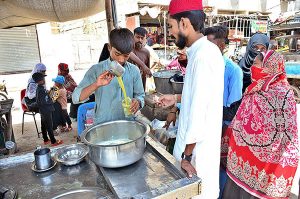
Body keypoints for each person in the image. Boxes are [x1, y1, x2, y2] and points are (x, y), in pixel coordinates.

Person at [158, 0, 225, 198]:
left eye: (170, 26)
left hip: (196, 157)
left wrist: (187, 156)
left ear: (184, 23)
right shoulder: (201, 52)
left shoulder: (203, 56)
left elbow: (198, 112)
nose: (169, 32)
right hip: (194, 150)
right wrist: (177, 98)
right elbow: (200, 94)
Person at [222, 51, 299, 199]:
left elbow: (285, 135)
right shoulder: (253, 90)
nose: (252, 68)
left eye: (256, 64)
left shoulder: (284, 94)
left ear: (269, 67)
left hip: (266, 167)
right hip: (240, 161)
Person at [72, 28, 145, 124]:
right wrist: (96, 84)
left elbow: (140, 96)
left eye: (126, 55)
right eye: (117, 54)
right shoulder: (96, 70)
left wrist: (138, 102)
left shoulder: (134, 71)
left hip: (127, 123)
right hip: (103, 124)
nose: (121, 59)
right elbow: (76, 98)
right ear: (109, 47)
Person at [205, 25, 243, 198]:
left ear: (221, 46)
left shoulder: (233, 70)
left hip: (222, 129)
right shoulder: (204, 65)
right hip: (207, 126)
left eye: (210, 45)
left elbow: (232, 109)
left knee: (220, 171)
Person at [32, 72, 63, 146]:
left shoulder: (39, 88)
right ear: (41, 80)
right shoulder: (41, 90)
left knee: (43, 125)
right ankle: (53, 141)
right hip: (46, 110)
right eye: (43, 78)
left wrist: (48, 94)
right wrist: (52, 100)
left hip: (42, 110)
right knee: (49, 126)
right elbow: (45, 101)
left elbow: (41, 100)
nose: (44, 80)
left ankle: (45, 139)